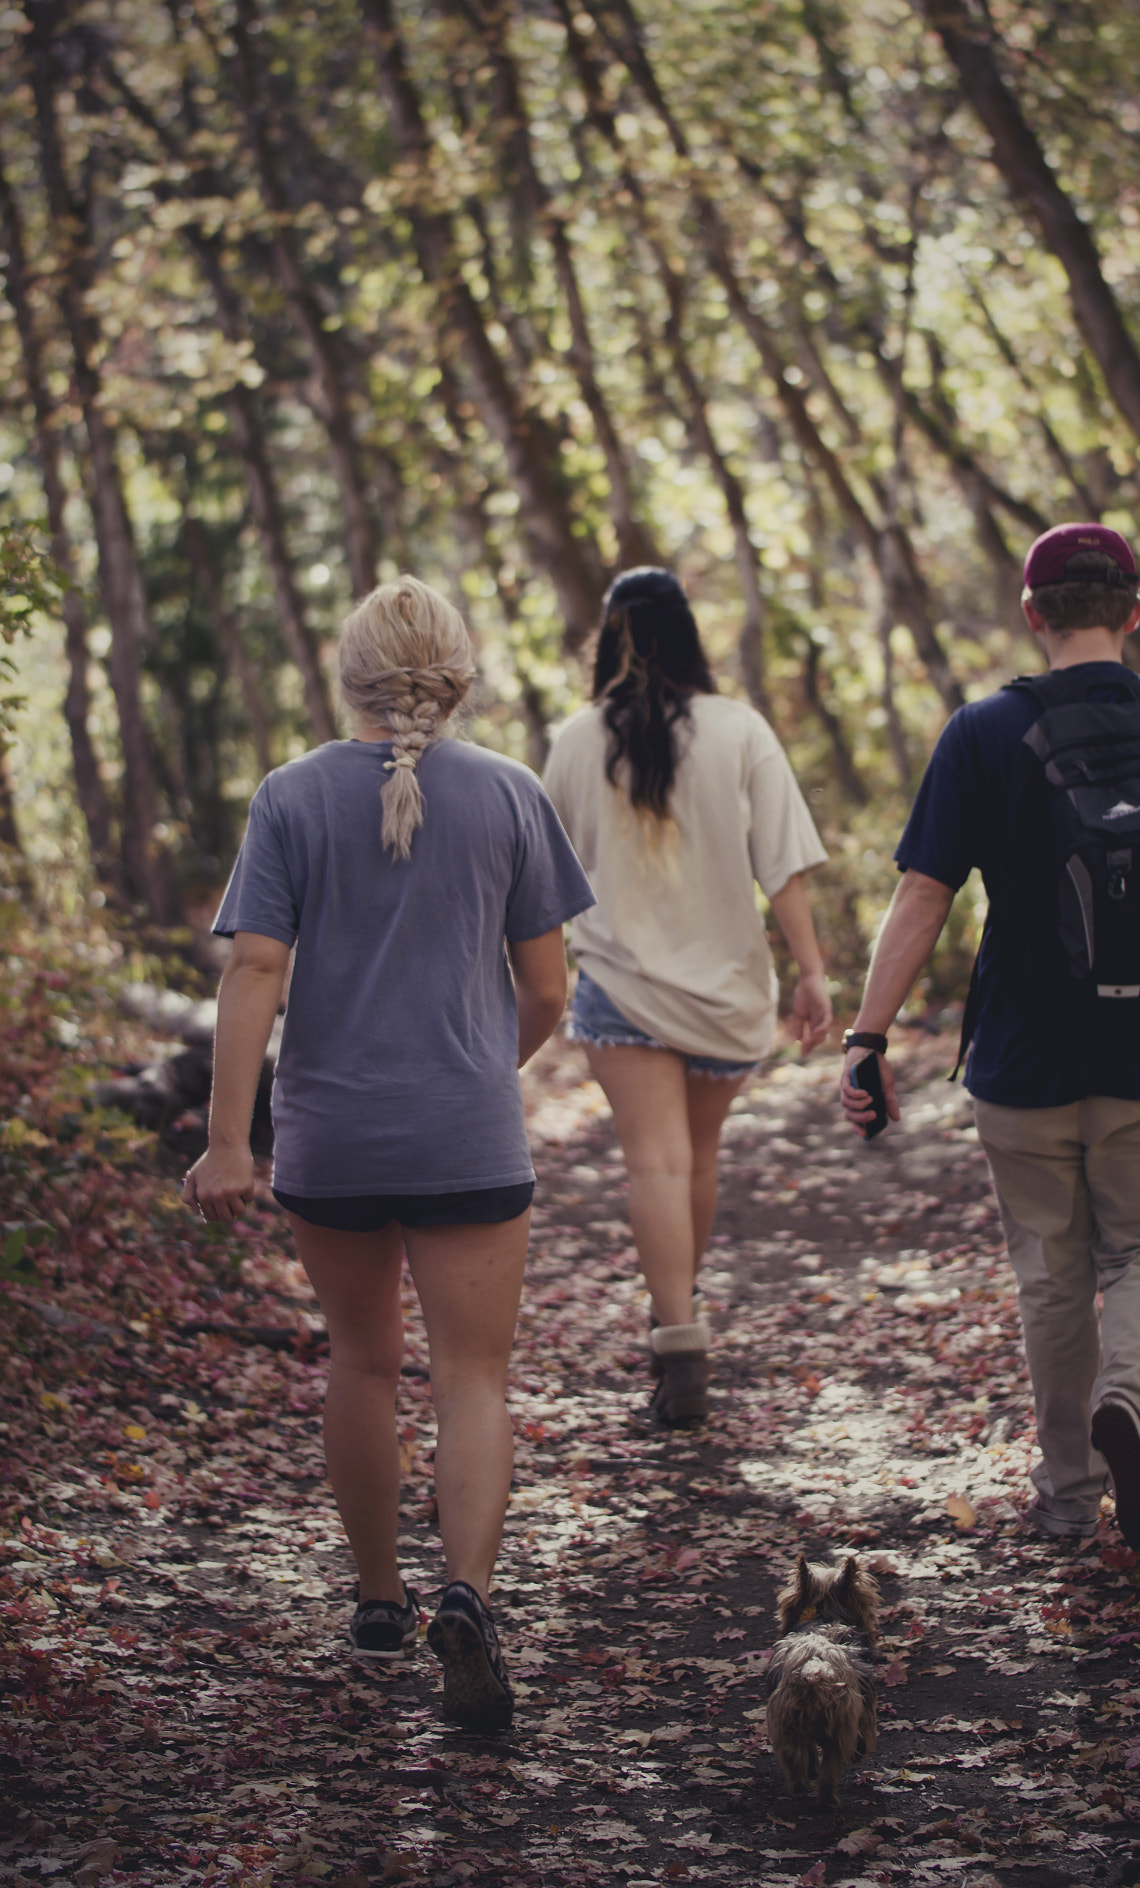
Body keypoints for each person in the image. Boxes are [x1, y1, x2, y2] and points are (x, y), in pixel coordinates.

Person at [184, 577, 593, 1731]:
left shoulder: (291, 796)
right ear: (457, 676)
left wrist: (228, 1139)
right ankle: (468, 1593)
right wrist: (474, 1068)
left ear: (350, 677)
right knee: (474, 1375)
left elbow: (254, 968)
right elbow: (549, 988)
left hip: (334, 1137)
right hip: (466, 1127)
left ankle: (377, 1602)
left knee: (363, 1363)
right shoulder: (510, 792)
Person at [840, 524, 1140, 1559]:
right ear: (1136, 610)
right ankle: (1133, 1401)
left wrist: (868, 1034)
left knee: (1051, 1269)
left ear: (1032, 613)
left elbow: (923, 894)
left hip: (1023, 1061)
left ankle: (1068, 1494)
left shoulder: (983, 732)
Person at [542, 568, 833, 1424]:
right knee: (694, 1162)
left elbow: (540, 876)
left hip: (620, 988)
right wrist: (811, 970)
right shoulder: (741, 731)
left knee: (653, 1165)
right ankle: (679, 1310)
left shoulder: (573, 739)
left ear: (607, 637)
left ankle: (678, 1331)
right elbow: (782, 868)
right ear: (688, 636)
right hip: (725, 992)